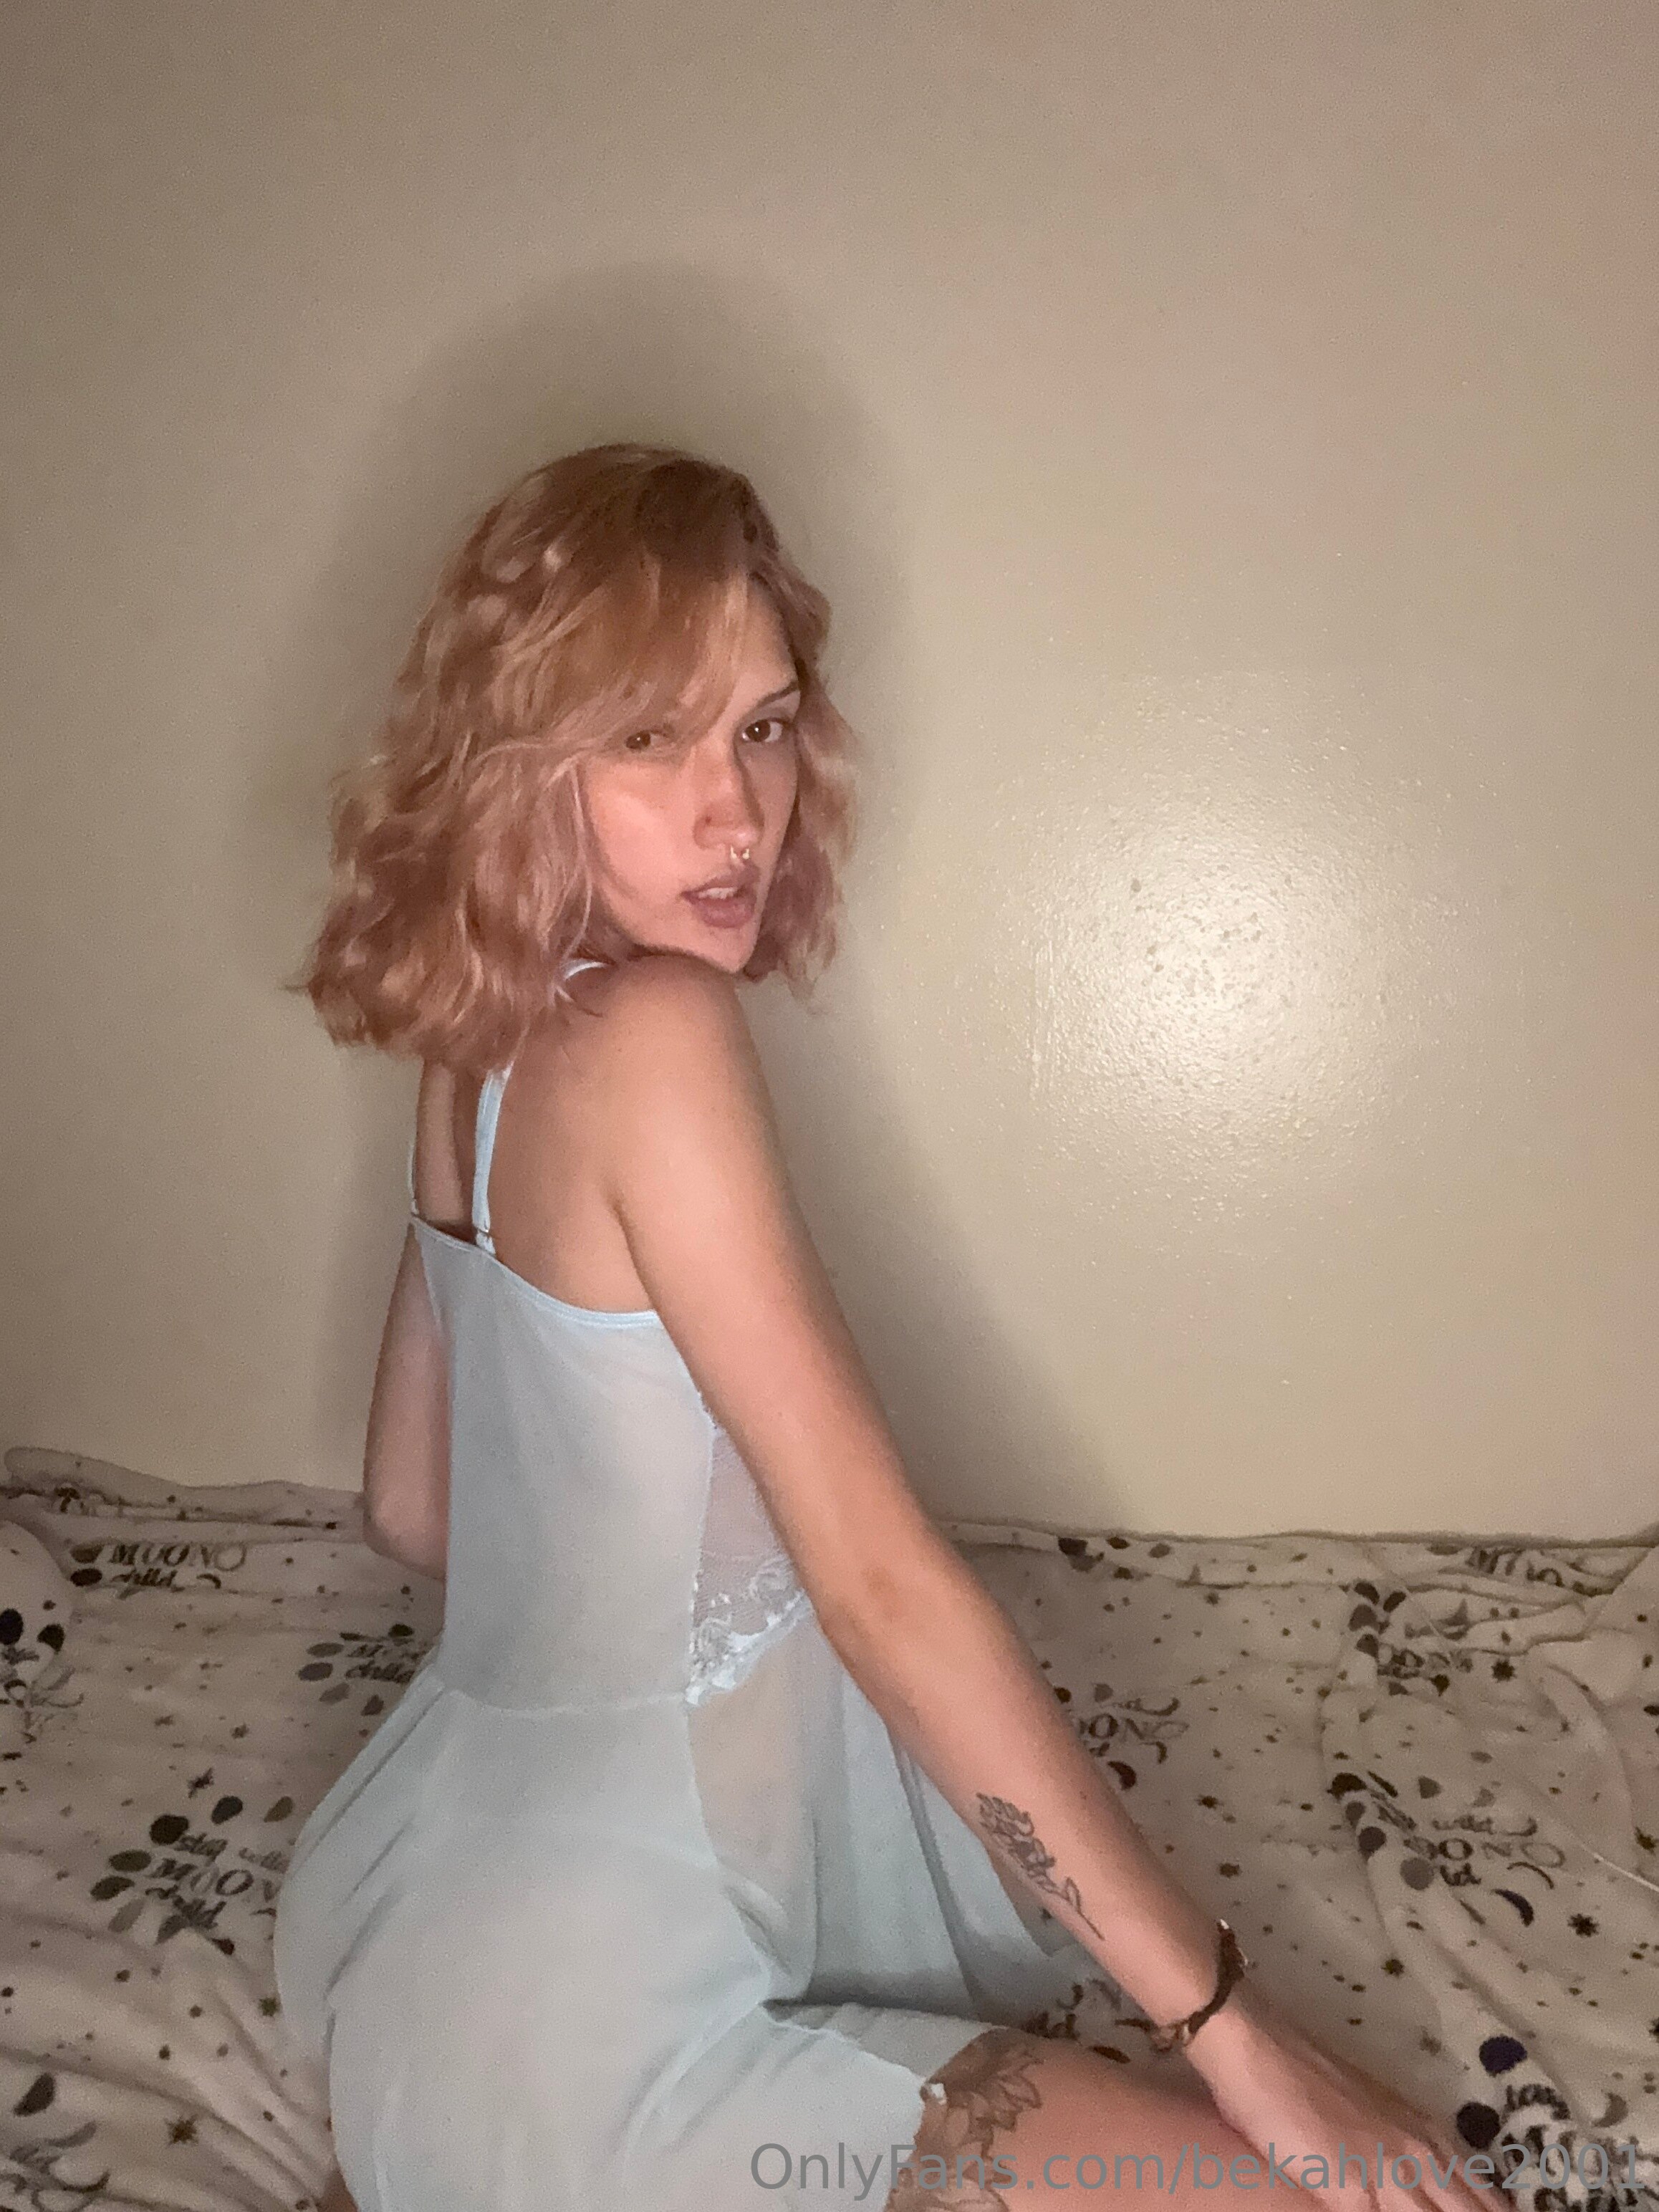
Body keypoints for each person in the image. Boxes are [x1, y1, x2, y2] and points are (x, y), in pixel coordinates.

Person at [272, 443, 1489, 2212]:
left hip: (412, 1906)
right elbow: (882, 1584)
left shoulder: (479, 1038)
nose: (735, 810)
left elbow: (413, 1506)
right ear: (523, 760)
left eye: (763, 726)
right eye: (648, 736)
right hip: (607, 2016)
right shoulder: (658, 1039)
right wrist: (1238, 2031)